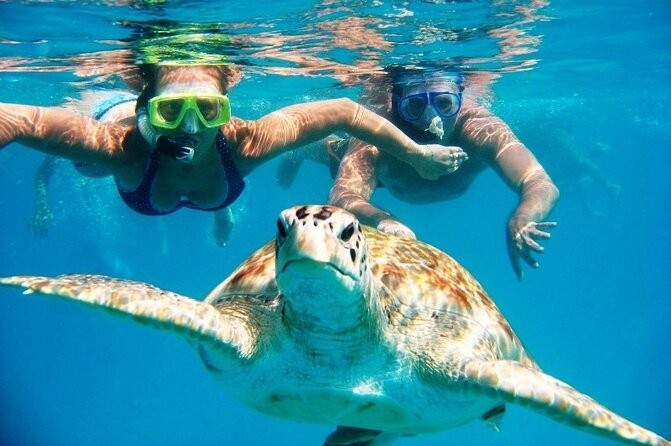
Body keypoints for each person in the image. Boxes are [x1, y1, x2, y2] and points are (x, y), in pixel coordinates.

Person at [0, 64, 467, 246]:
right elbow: (14, 118)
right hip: (117, 118)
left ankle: (218, 213)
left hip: (195, 182)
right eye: (169, 111)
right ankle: (136, 116)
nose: (190, 127)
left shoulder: (244, 143)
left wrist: (415, 153)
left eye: (207, 109)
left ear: (227, 112)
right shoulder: (124, 151)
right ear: (151, 109)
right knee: (88, 167)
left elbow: (345, 110)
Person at [317, 68, 558, 280]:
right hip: (380, 177)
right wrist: (384, 219)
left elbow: (538, 181)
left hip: (393, 178)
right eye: (415, 106)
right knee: (328, 153)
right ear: (396, 104)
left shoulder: (478, 128)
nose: (431, 119)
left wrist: (522, 218)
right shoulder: (378, 130)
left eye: (444, 104)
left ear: (460, 101)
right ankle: (311, 150)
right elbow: (341, 193)